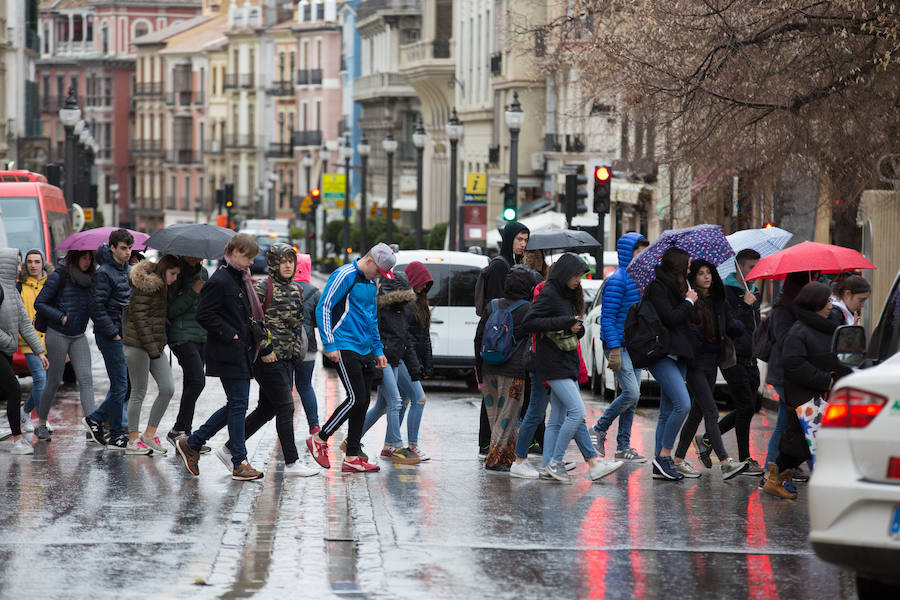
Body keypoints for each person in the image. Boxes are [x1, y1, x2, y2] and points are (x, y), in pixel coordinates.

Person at [522, 253, 623, 483]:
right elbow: (529, 322)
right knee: (577, 411)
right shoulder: (549, 292)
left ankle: (547, 467)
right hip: (552, 362)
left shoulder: (566, 294)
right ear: (565, 273)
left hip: (565, 361)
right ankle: (556, 462)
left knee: (557, 418)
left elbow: (571, 327)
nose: (579, 280)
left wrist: (577, 328)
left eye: (580, 276)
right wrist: (565, 323)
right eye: (576, 275)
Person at [223, 243, 319, 477]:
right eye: (282, 261)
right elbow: (250, 322)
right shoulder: (261, 288)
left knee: (267, 409)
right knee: (286, 406)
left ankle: (229, 448)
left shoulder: (297, 290)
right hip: (267, 359)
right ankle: (292, 462)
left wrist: (296, 353)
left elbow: (297, 325)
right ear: (273, 263)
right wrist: (265, 348)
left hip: (288, 360)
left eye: (291, 261)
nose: (287, 265)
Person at [175, 233, 266, 481]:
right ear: (235, 252)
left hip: (241, 350)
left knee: (236, 404)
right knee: (238, 404)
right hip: (229, 351)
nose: (251, 262)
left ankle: (193, 443)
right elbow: (204, 314)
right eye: (248, 257)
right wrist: (231, 334)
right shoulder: (220, 280)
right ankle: (238, 461)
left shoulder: (239, 277)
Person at [306, 243, 394, 473]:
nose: (378, 277)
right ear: (370, 261)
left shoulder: (371, 282)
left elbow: (371, 317)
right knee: (356, 398)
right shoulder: (344, 275)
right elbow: (324, 307)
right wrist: (329, 343)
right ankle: (320, 438)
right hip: (344, 345)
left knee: (363, 401)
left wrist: (378, 350)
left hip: (365, 349)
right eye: (378, 271)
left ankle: (352, 456)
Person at [763, 282, 851, 499]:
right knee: (800, 440)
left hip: (827, 393)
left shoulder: (832, 326)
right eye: (827, 301)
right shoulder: (798, 331)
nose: (830, 305)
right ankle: (776, 479)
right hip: (804, 394)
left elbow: (838, 357)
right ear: (815, 303)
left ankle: (777, 478)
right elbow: (793, 364)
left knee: (807, 439)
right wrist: (825, 380)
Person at [672, 260, 748, 479]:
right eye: (701, 273)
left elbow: (731, 325)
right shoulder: (690, 300)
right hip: (695, 362)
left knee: (697, 412)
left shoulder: (718, 300)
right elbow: (686, 328)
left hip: (713, 361)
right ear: (693, 277)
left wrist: (742, 314)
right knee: (711, 411)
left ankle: (678, 459)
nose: (707, 277)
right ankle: (725, 462)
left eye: (709, 273)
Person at [695, 249, 764, 475]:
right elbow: (727, 324)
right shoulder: (726, 291)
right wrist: (744, 306)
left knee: (750, 406)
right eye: (751, 267)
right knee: (745, 406)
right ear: (739, 267)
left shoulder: (753, 290)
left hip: (751, 355)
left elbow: (753, 324)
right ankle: (745, 458)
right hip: (732, 355)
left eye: (757, 267)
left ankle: (707, 439)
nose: (755, 272)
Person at [590, 232, 649, 462]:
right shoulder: (617, 280)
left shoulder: (640, 279)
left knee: (632, 399)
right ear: (627, 253)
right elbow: (608, 318)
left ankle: (623, 447)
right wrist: (614, 348)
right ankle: (598, 429)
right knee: (632, 393)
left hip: (634, 347)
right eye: (638, 250)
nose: (642, 255)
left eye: (644, 250)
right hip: (619, 346)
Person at [474, 266, 535, 471]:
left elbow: (478, 337)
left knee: (495, 417)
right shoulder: (527, 309)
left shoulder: (492, 305)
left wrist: (479, 367)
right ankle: (494, 460)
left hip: (489, 367)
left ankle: (506, 457)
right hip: (514, 372)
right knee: (508, 417)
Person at [644, 247, 698, 481]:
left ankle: (660, 463)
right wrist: (688, 302)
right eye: (688, 266)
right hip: (662, 354)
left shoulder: (680, 287)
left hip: (679, 353)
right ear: (678, 267)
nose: (690, 270)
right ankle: (665, 455)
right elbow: (671, 318)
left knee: (667, 411)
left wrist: (690, 300)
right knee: (683, 404)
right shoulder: (658, 287)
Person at [34, 250, 97, 442]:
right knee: (54, 381)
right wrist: (60, 317)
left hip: (78, 335)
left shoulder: (90, 279)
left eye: (90, 258)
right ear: (75, 257)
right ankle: (41, 424)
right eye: (84, 257)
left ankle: (92, 427)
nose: (87, 261)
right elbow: (40, 303)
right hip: (57, 334)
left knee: (86, 379)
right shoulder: (59, 275)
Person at [478, 221, 530, 455]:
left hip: (502, 337)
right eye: (519, 239)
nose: (523, 244)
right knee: (496, 395)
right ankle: (489, 444)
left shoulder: (514, 263)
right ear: (509, 239)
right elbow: (498, 305)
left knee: (498, 396)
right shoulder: (501, 266)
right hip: (498, 336)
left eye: (526, 240)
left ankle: (492, 445)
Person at [361, 270, 422, 465]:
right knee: (395, 401)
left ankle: (352, 439)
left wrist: (414, 369)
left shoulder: (405, 309)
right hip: (382, 359)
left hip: (394, 360)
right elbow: (372, 335)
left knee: (381, 406)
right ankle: (396, 446)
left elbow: (405, 341)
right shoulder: (379, 308)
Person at [762, 270, 819, 477]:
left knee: (787, 422)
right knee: (801, 420)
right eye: (813, 278)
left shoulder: (802, 309)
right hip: (783, 373)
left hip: (793, 373)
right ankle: (776, 467)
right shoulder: (783, 309)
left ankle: (776, 467)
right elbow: (785, 339)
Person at [123, 255, 181, 455]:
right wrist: (154, 350)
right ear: (164, 270)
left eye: (177, 274)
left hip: (154, 347)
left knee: (167, 388)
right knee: (138, 391)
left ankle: (148, 435)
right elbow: (140, 320)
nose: (174, 278)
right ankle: (133, 440)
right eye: (172, 274)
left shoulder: (162, 287)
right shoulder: (146, 287)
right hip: (137, 346)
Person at [84, 230, 134, 450]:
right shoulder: (104, 273)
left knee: (127, 385)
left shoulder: (127, 270)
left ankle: (95, 418)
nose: (127, 252)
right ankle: (115, 434)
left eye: (129, 248)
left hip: (124, 334)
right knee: (120, 385)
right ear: (112, 247)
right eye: (123, 248)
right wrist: (113, 332)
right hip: (110, 335)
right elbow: (96, 306)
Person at [0, 248, 49, 454]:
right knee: (14, 389)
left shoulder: (12, 290)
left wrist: (39, 351)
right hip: (2, 347)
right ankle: (18, 439)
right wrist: (8, 340)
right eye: (18, 264)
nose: (21, 268)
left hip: (5, 350)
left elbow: (25, 324)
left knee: (6, 390)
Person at [166, 256, 209, 449]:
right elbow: (170, 311)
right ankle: (177, 429)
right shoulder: (175, 273)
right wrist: (193, 292)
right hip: (181, 336)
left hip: (201, 335)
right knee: (198, 381)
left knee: (191, 382)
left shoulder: (203, 273)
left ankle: (186, 437)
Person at [396, 260, 433, 461]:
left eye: (427, 283)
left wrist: (427, 364)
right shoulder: (406, 303)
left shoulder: (421, 303)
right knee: (419, 399)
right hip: (403, 359)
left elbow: (424, 337)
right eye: (422, 281)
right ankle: (411, 446)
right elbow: (406, 339)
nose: (424, 285)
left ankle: (389, 445)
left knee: (401, 402)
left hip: (412, 360)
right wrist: (415, 366)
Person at [17, 249, 51, 433]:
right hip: (29, 342)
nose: (33, 265)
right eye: (29, 261)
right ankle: (43, 420)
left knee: (43, 382)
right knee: (40, 379)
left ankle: (25, 410)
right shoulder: (20, 287)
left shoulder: (50, 284)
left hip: (49, 341)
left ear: (42, 264)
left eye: (37, 261)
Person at [293, 253, 321, 435]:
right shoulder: (315, 292)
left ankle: (285, 423)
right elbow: (319, 320)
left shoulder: (284, 288)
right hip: (308, 346)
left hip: (285, 346)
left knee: (286, 388)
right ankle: (314, 424)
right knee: (305, 386)